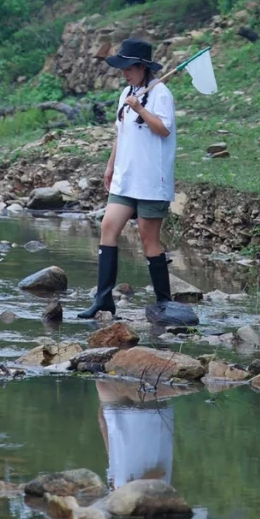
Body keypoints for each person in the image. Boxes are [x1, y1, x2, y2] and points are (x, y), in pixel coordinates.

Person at [77, 38, 175, 319]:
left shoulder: (161, 94)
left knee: (149, 241)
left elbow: (163, 130)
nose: (124, 72)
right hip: (126, 177)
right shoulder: (126, 93)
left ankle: (164, 302)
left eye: (129, 67)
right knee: (108, 228)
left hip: (152, 180)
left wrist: (140, 109)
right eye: (122, 67)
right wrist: (110, 166)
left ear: (143, 68)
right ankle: (104, 300)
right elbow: (121, 135)